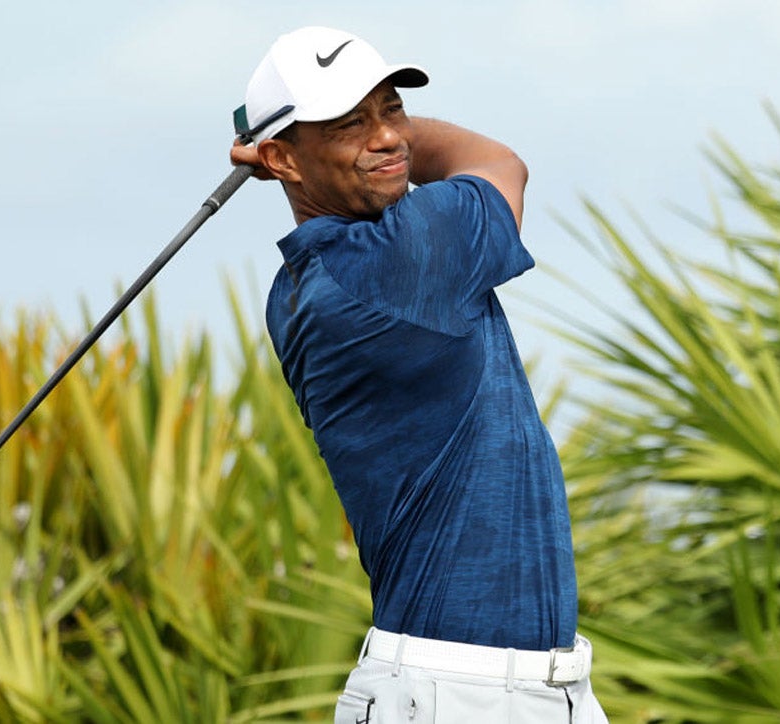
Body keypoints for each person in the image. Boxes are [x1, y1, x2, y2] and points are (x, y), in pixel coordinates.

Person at [229, 26, 608, 723]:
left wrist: (311, 149)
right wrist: (302, 150)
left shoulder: (302, 284)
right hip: (457, 693)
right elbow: (498, 162)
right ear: (280, 157)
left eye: (393, 108)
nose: (387, 138)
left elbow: (398, 155)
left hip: (503, 687)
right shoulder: (403, 258)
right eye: (349, 123)